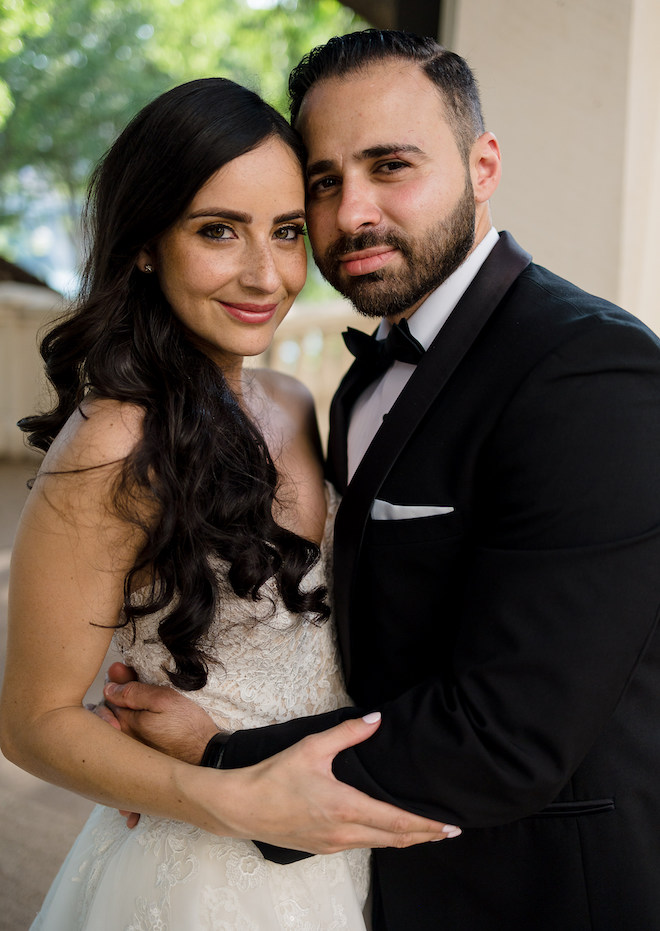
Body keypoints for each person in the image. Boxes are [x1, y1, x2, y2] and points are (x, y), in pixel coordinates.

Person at [101, 30, 660, 930]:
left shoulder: (588, 370)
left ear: (483, 165)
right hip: (364, 875)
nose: (353, 212)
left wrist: (218, 756)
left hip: (534, 886)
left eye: (390, 165)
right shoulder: (361, 380)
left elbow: (509, 733)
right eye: (323, 182)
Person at [0, 76, 459, 930]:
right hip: (202, 874)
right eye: (219, 231)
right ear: (146, 244)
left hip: (333, 855)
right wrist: (232, 798)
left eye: (287, 232)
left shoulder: (291, 400)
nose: (265, 274)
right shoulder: (112, 443)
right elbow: (31, 723)